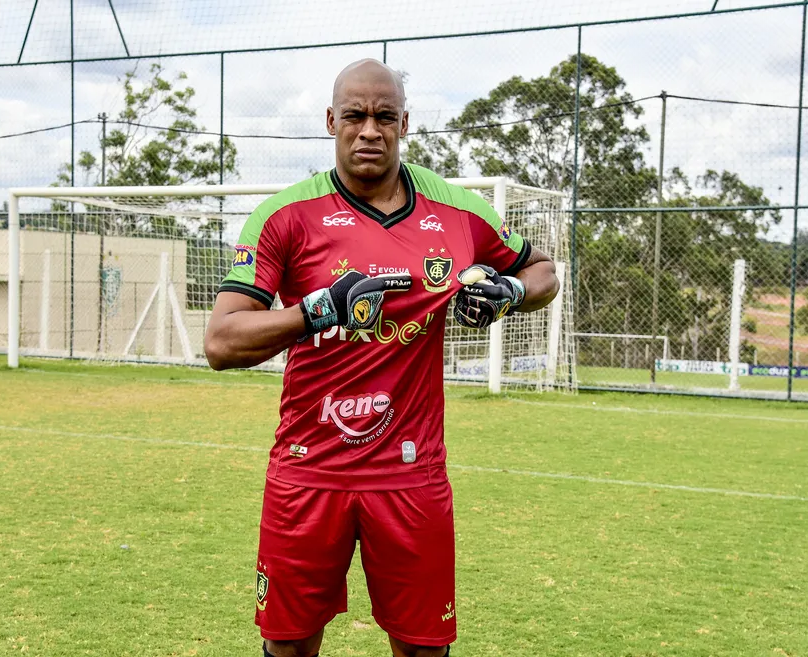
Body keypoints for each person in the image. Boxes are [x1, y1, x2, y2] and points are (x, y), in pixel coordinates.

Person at [204, 58, 559, 657]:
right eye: (355, 116)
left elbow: (543, 269)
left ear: (404, 123)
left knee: (424, 647)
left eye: (384, 116)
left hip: (411, 475)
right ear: (330, 121)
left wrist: (511, 292)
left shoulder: (458, 213)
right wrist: (318, 310)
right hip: (308, 469)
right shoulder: (284, 216)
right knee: (288, 645)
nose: (369, 130)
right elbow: (221, 342)